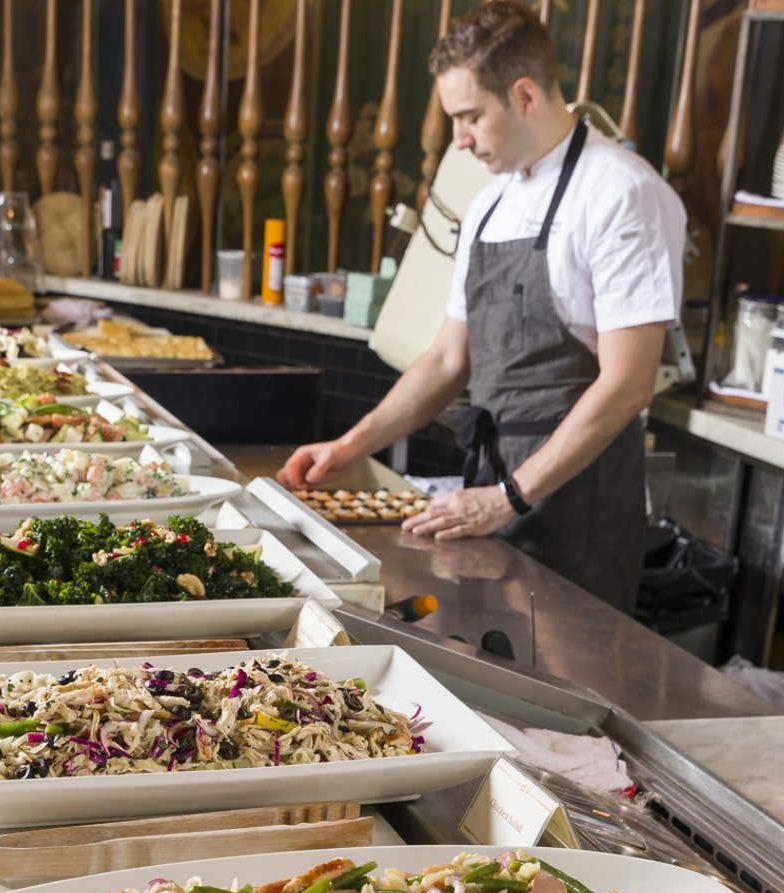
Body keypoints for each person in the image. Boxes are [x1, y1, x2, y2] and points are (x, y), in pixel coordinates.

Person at [278, 1, 686, 612]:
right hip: (491, 492)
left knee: (570, 693)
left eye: (469, 117)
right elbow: (446, 360)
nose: (460, 140)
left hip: (579, 505)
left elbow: (629, 384)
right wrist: (351, 446)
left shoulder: (621, 193)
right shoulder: (491, 203)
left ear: (524, 95)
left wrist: (509, 497)